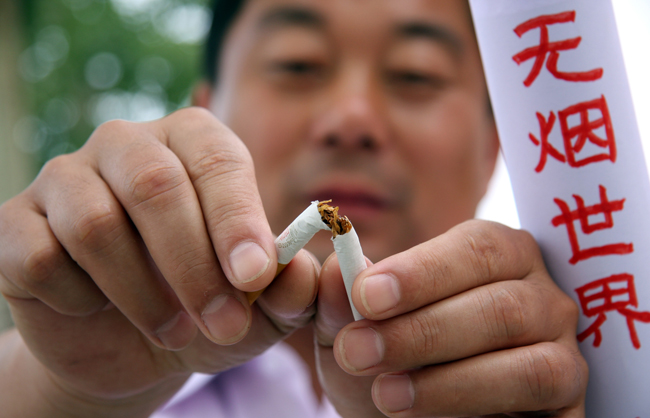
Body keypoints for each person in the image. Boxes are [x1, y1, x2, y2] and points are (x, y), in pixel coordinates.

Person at [0, 0, 588, 417]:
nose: (352, 119)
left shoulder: (596, 365)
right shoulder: (47, 374)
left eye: (416, 74)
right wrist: (56, 398)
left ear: (492, 152)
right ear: (207, 112)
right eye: (297, 64)